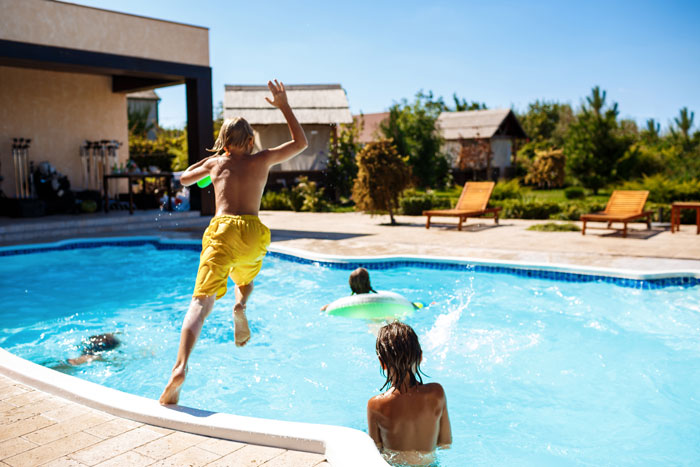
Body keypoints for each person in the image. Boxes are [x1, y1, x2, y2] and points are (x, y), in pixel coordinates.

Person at [159, 80, 308, 405]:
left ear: (223, 144)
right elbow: (301, 142)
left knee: (200, 302)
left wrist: (207, 166)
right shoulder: (262, 159)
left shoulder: (216, 163)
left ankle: (180, 365)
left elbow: (183, 179)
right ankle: (240, 306)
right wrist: (283, 106)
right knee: (245, 279)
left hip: (223, 229)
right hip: (253, 231)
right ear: (251, 141)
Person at [367, 321, 451, 463]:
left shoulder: (376, 405)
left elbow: (375, 452)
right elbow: (445, 443)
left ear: (382, 363)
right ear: (420, 357)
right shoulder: (437, 393)